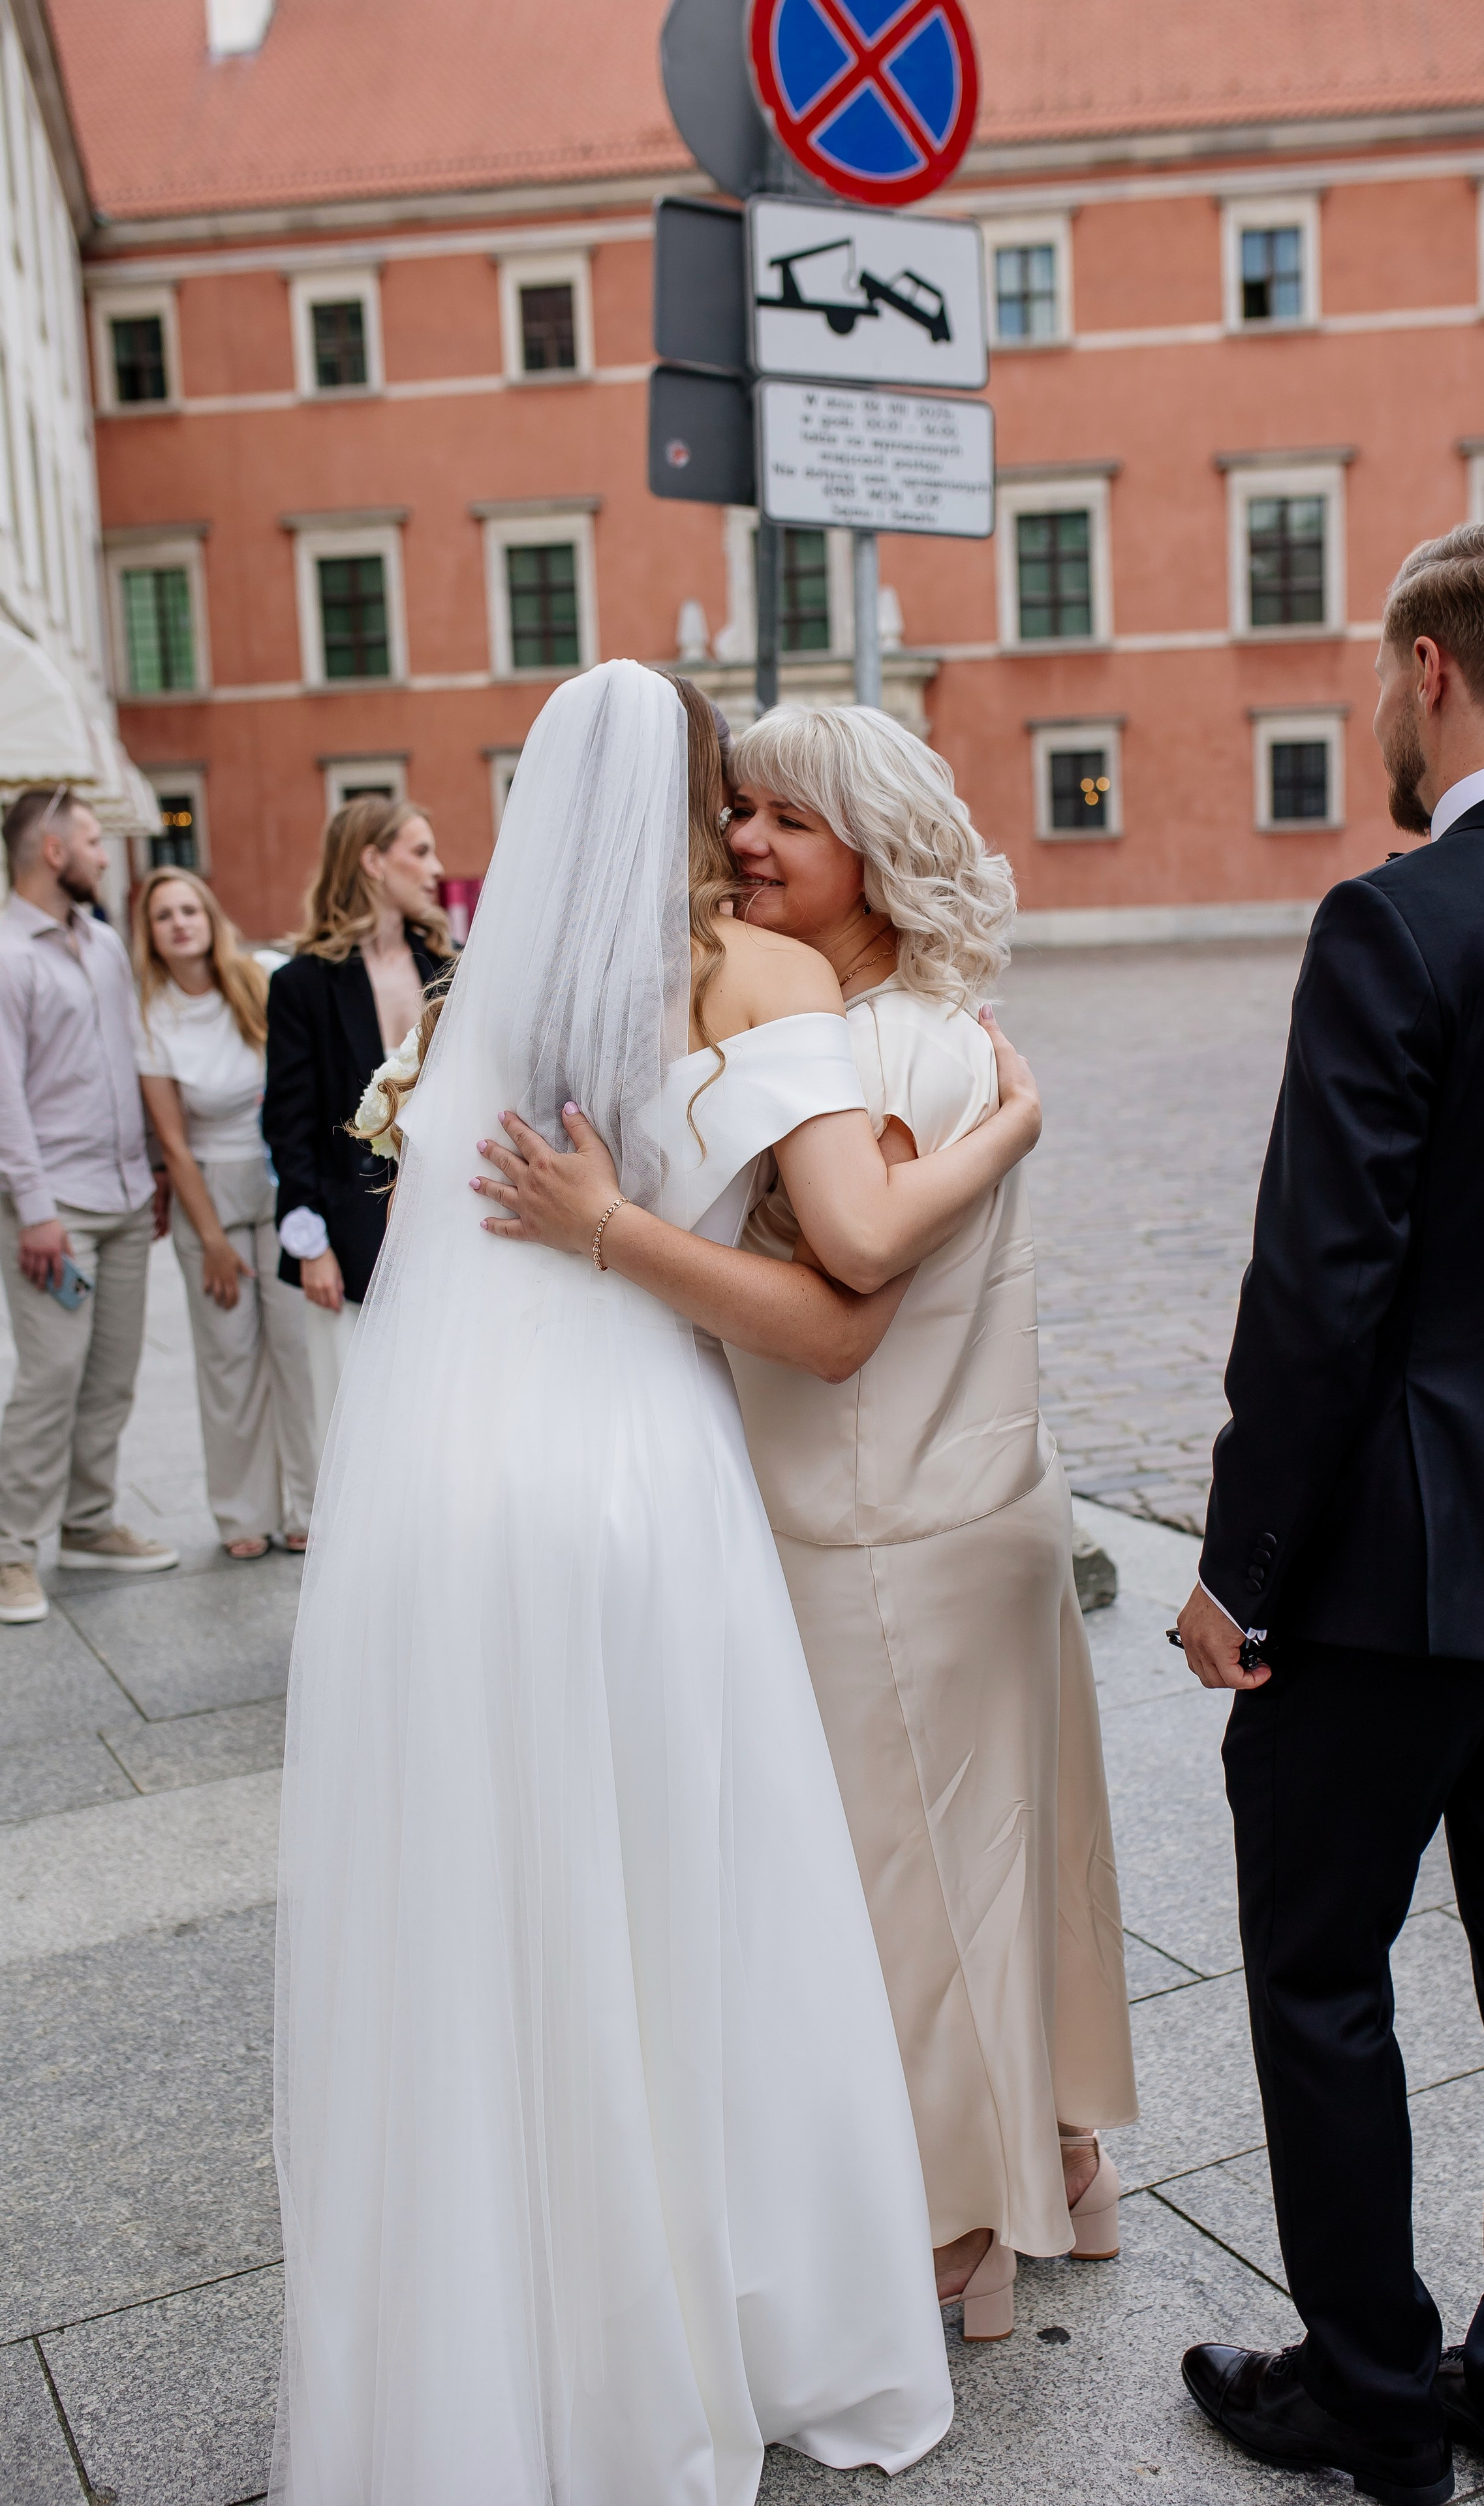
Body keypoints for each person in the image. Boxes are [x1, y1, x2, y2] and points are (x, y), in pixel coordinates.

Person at [271, 661, 1043, 2505]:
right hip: (633, 1480)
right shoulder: (754, 980)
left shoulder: (473, 1016)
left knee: (499, 1917)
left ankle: (500, 2354)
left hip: (451, 1503)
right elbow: (843, 1310)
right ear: (704, 798)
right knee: (689, 1905)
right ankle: (715, 2328)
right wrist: (1004, 1131)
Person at [478, 699, 1136, 2345]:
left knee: (899, 1907)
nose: (744, 840)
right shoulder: (929, 1022)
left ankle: (943, 2249)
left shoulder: (867, 1046)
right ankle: (1065, 2161)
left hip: (879, 1527)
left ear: (873, 849)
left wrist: (606, 1227)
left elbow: (836, 1297)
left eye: (785, 818)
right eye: (739, 809)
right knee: (1006, 1864)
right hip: (966, 1500)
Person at [1173, 519, 1484, 2506]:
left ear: (1432, 670)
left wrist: (1233, 1567)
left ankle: (1374, 2396)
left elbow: (1321, 1286)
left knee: (1321, 1972)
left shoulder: (1395, 920)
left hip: (1381, 1577)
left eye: (1386, 676)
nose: (1383, 707)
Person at [0, 789, 177, 1624]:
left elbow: (126, 1064)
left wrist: (154, 1170)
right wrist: (35, 1210)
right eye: (94, 841)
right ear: (52, 852)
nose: (106, 855)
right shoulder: (7, 954)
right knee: (51, 1376)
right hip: (55, 1210)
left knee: (111, 1374)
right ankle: (9, 1549)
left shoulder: (104, 944)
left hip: (125, 1196)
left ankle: (87, 1520)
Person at [132, 868, 315, 1558]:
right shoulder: (150, 1013)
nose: (179, 923)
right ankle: (242, 1514)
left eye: (188, 909)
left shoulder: (263, 977)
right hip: (206, 1189)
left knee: (298, 1348)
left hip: (279, 1180)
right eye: (162, 916)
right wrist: (209, 1239)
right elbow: (173, 1143)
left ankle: (309, 1505)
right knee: (228, 1360)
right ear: (149, 936)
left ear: (210, 915)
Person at [262, 796, 449, 1437]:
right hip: (345, 1234)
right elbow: (290, 1126)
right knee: (356, 1421)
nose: (436, 868)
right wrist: (310, 1241)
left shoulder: (446, 966)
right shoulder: (301, 985)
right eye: (419, 852)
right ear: (372, 860)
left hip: (445, 1224)